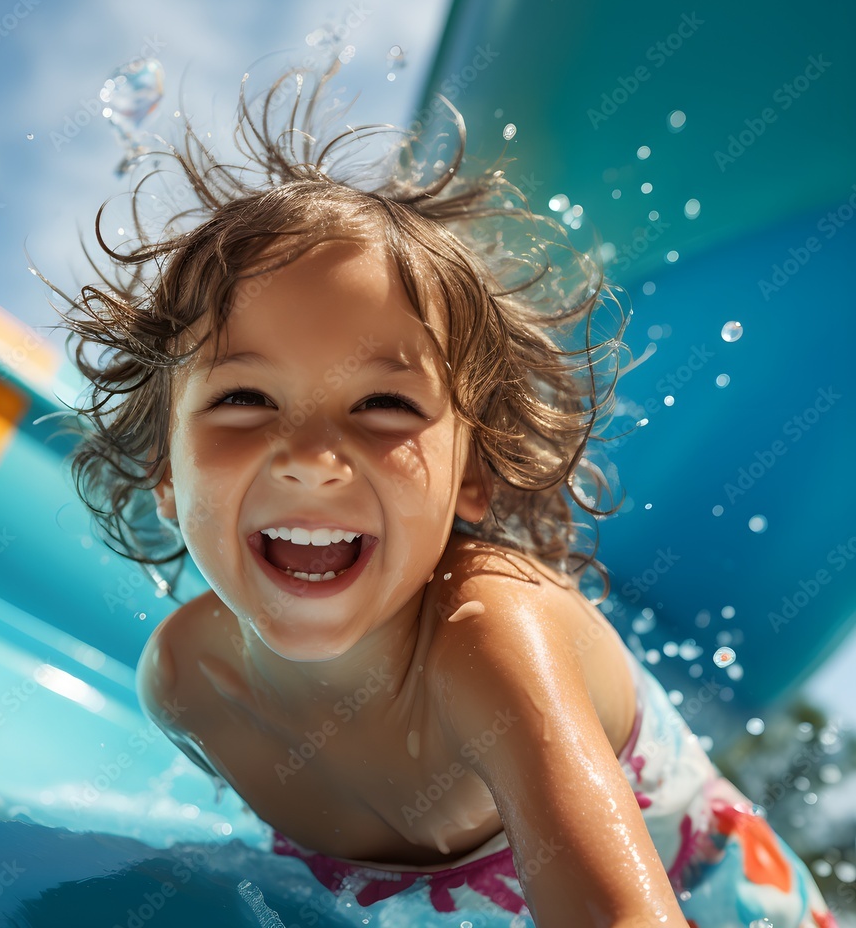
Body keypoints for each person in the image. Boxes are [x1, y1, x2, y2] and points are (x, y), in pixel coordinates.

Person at [59, 67, 837, 928]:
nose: (312, 458)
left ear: (472, 472)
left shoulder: (491, 637)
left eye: (384, 405)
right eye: (243, 400)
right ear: (166, 473)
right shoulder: (189, 689)